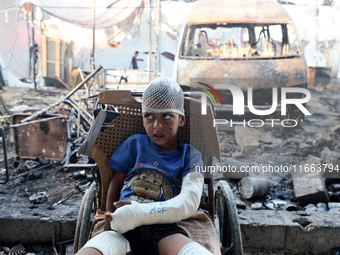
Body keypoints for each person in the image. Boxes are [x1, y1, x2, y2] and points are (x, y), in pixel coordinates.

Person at [76, 76, 213, 255]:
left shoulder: (190, 154)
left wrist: (139, 212)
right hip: (124, 226)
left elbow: (190, 199)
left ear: (181, 120)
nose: (157, 126)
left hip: (164, 229)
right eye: (149, 116)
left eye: (166, 116)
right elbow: (115, 183)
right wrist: (110, 220)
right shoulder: (134, 144)